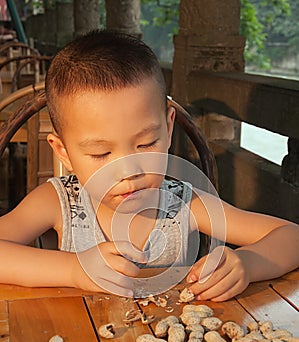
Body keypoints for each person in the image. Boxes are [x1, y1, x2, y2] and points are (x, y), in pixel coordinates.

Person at [0, 30, 298, 301]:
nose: (129, 172)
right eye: (101, 153)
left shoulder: (185, 205)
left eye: (145, 145)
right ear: (63, 152)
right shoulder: (59, 203)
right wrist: (74, 269)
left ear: (168, 130)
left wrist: (248, 263)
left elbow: (292, 236)